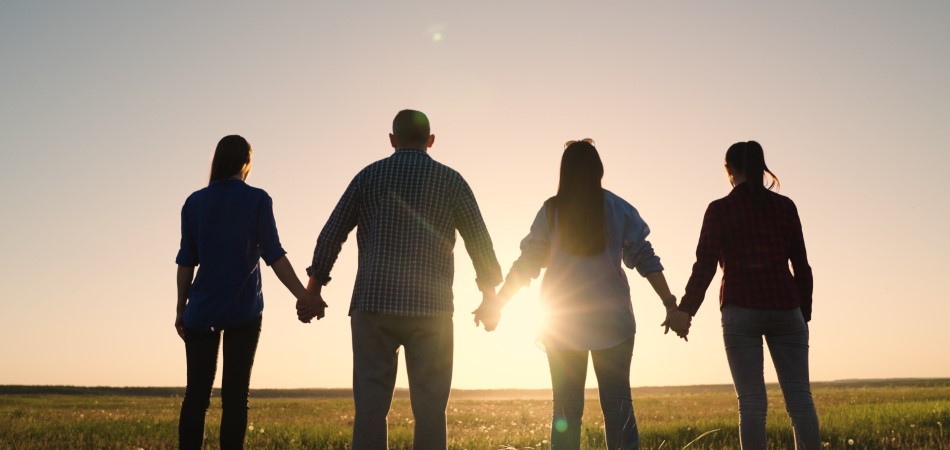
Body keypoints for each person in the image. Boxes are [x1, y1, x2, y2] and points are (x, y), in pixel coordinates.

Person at [298, 110, 503, 449]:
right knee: (431, 412)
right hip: (432, 310)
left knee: (369, 411)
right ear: (431, 141)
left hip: (373, 306)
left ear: (392, 140)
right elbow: (479, 240)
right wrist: (490, 296)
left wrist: (313, 289)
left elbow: (332, 233)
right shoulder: (451, 180)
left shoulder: (368, 176)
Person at [473, 139, 680, 450]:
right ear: (599, 170)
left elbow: (528, 263)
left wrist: (498, 303)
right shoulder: (618, 207)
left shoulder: (551, 212)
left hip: (563, 327)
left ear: (564, 172)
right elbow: (645, 258)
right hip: (614, 324)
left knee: (566, 411)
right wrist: (669, 303)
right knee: (619, 408)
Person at [666, 141, 819, 449]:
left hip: (741, 309)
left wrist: (685, 310)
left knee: (751, 404)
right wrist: (803, 313)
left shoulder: (720, 210)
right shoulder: (785, 206)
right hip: (786, 307)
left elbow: (705, 266)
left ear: (729, 170)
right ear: (761, 168)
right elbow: (801, 264)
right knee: (800, 400)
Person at [175, 135, 326, 450]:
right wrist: (304, 295)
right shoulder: (257, 199)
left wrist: (180, 309)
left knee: (196, 396)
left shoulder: (194, 203)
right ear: (246, 163)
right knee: (235, 396)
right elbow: (274, 256)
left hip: (200, 311)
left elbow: (186, 263)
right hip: (244, 311)